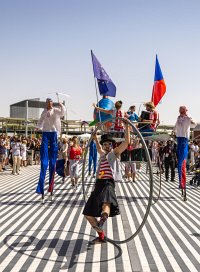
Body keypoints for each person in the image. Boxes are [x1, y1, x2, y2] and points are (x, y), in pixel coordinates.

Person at [83, 121, 130, 242]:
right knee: (88, 213)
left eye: (109, 144)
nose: (107, 146)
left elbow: (126, 143)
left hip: (108, 183)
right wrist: (94, 138)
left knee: (106, 204)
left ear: (112, 145)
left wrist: (127, 127)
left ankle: (102, 220)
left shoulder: (114, 153)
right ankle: (101, 234)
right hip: (98, 184)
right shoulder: (102, 154)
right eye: (105, 144)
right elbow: (98, 147)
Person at [35, 98, 66, 203]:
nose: (49, 103)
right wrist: (37, 127)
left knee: (52, 163)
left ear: (52, 103)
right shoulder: (44, 112)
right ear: (46, 103)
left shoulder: (56, 110)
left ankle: (51, 188)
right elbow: (40, 121)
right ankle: (41, 189)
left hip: (53, 132)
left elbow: (62, 113)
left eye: (51, 102)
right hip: (45, 133)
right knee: (44, 164)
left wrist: (62, 105)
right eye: (48, 102)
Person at [174, 106, 196, 189]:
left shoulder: (187, 118)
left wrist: (189, 118)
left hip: (184, 140)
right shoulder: (178, 118)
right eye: (180, 109)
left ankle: (182, 183)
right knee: (179, 164)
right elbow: (175, 128)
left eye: (182, 109)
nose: (180, 111)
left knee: (181, 163)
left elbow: (194, 124)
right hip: (179, 141)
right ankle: (181, 182)